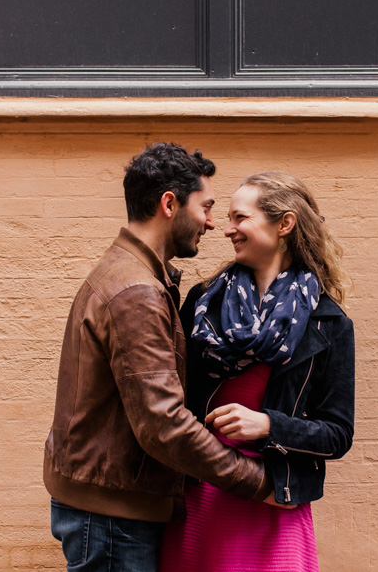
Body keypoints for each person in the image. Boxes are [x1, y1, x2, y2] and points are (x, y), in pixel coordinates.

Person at [43, 143, 275, 572]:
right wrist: (259, 483)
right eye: (204, 207)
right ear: (169, 203)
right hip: (113, 515)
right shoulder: (138, 292)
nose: (210, 222)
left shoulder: (131, 273)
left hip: (106, 505)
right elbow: (163, 424)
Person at [158, 171, 355, 572]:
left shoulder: (328, 323)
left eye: (240, 218)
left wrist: (269, 425)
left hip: (273, 497)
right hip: (203, 492)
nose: (227, 229)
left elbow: (337, 435)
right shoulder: (203, 303)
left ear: (284, 224)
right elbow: (168, 398)